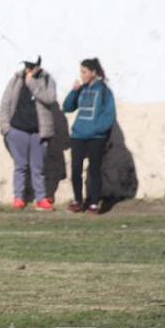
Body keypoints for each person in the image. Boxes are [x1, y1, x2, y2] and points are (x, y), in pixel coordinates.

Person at [0, 55, 58, 211]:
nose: (28, 69)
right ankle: (19, 197)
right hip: (18, 129)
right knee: (20, 166)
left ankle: (41, 198)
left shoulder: (47, 80)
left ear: (38, 66)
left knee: (38, 168)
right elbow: (6, 102)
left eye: (31, 66)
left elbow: (49, 98)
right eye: (26, 65)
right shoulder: (16, 80)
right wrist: (6, 128)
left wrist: (32, 83)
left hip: (39, 131)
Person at [62, 58, 117, 214]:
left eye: (85, 72)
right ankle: (78, 201)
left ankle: (94, 203)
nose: (82, 75)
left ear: (93, 73)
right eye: (81, 72)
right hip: (78, 136)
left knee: (94, 170)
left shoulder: (105, 91)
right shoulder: (82, 89)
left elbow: (109, 115)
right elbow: (67, 107)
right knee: (76, 169)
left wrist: (97, 130)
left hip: (96, 138)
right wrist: (74, 91)